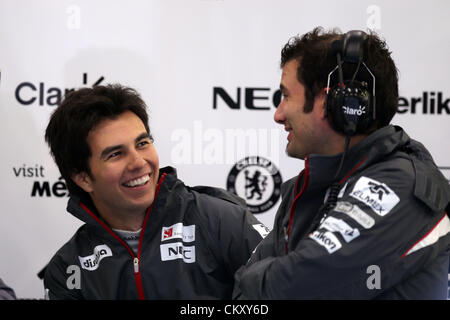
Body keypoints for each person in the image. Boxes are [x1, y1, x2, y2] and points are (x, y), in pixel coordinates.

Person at [233, 27, 450, 299]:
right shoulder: (299, 190)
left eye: (286, 96)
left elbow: (297, 288)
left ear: (336, 102)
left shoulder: (404, 186)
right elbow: (242, 296)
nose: (278, 115)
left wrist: (260, 276)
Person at [43, 84, 267, 299]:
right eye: (115, 154)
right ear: (83, 178)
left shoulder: (224, 222)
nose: (139, 162)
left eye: (142, 143)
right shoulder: (67, 269)